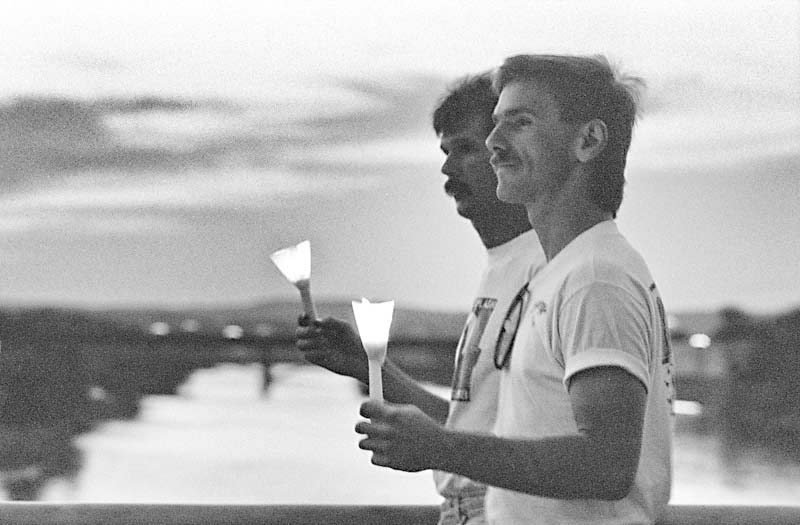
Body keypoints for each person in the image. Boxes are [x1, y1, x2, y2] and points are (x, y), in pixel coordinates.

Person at [356, 54, 675, 524]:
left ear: (588, 141)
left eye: (519, 124)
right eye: (495, 125)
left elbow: (607, 467)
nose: (493, 143)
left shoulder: (595, 278)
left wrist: (439, 447)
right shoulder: (563, 272)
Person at [296, 72, 545, 524]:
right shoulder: (503, 270)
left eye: (468, 149)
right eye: (446, 153)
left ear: (513, 153)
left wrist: (436, 448)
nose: (448, 170)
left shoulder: (549, 272)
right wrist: (366, 365)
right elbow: (470, 430)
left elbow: (587, 459)